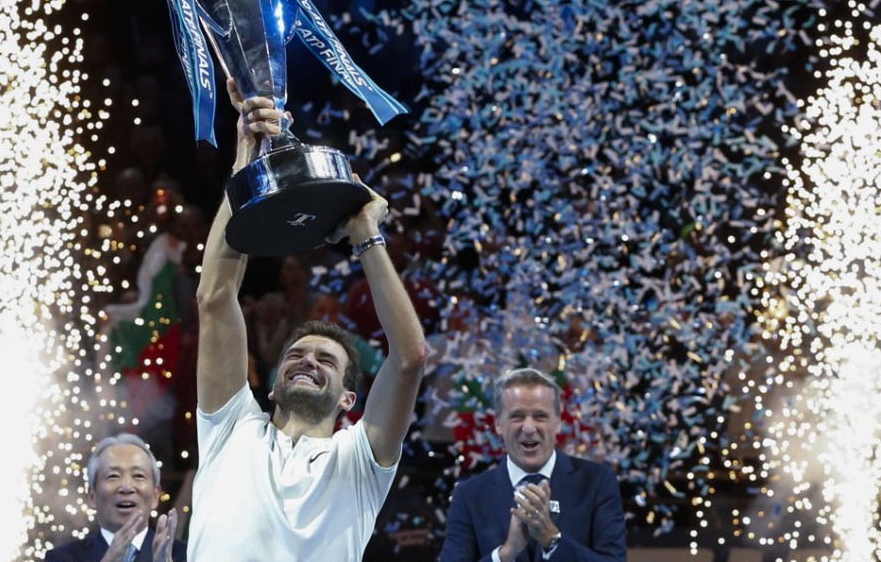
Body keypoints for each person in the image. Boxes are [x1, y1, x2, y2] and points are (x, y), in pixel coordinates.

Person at [186, 80, 428, 561]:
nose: (306, 362)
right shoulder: (232, 429)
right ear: (272, 387)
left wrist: (364, 233)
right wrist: (245, 168)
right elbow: (215, 298)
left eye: (326, 361)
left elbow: (409, 358)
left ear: (348, 399)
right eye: (295, 355)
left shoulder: (359, 461)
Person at [438, 368, 626, 562]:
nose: (528, 428)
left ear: (558, 422)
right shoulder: (469, 495)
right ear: (498, 424)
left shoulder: (597, 482)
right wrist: (505, 554)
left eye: (540, 416)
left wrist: (551, 539)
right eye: (517, 416)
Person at [45, 432, 185, 562]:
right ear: (92, 496)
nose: (126, 487)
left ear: (156, 495)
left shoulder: (186, 555)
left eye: (138, 476)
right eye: (113, 476)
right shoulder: (62, 557)